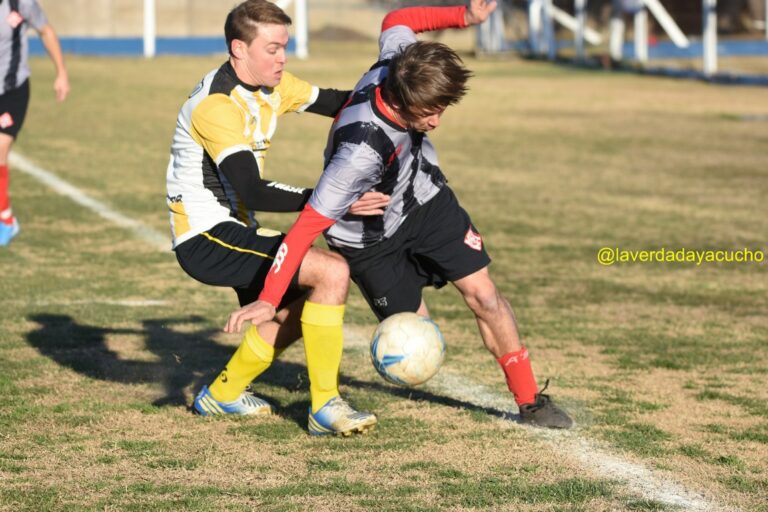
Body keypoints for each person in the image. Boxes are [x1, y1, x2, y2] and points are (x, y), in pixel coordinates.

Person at [226, 0, 573, 429]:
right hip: (368, 240)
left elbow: (397, 20)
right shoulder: (357, 155)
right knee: (414, 334)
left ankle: (530, 400)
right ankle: (229, 384)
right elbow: (304, 231)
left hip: (425, 201)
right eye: (429, 112)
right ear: (403, 103)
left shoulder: (401, 63)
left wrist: (464, 17)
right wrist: (269, 297)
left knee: (484, 295)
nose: (437, 121)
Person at [167, 0, 389, 436]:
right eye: (271, 49)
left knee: (306, 302)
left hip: (237, 229)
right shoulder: (217, 104)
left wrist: (397, 95)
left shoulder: (274, 85)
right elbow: (252, 189)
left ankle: (224, 393)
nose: (282, 58)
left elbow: (339, 102)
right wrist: (334, 199)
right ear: (239, 48)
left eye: (284, 47)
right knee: (331, 272)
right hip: (205, 235)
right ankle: (326, 407)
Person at [0, 0, 69, 246]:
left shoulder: (21, 3)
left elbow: (45, 30)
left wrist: (61, 72)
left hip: (12, 91)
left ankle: (6, 221)